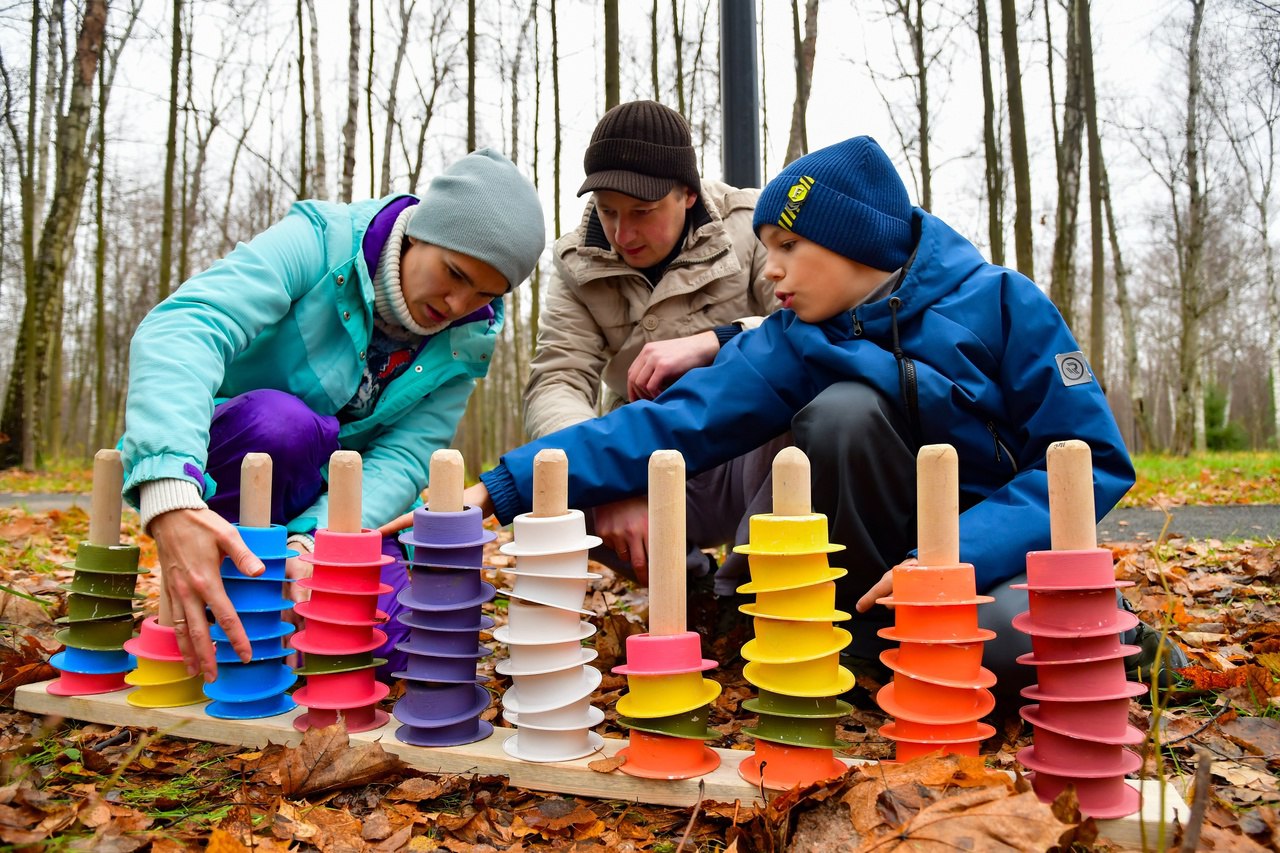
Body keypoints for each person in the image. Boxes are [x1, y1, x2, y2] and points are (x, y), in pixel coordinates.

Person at [386, 135, 1184, 703]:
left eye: (787, 244)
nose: (768, 268)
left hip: (984, 557)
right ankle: (860, 646)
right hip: (875, 579)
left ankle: (1114, 642)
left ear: (855, 242)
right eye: (764, 242)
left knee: (1030, 653)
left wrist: (955, 559)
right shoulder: (799, 339)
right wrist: (510, 482)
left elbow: (1090, 460)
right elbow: (673, 424)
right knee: (840, 412)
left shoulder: (1007, 305)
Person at [122, 148, 546, 681]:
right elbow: (186, 326)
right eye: (454, 273)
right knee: (281, 426)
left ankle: (283, 583)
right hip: (236, 467)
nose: (460, 303)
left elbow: (405, 454)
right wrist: (169, 492)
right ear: (418, 232)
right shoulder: (320, 243)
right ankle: (230, 577)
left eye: (485, 293)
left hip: (336, 508)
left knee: (387, 645)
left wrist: (315, 540)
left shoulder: (467, 339)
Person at [525, 98, 782, 599]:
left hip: (750, 454)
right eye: (608, 211)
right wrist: (605, 475)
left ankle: (748, 595)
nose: (623, 234)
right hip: (646, 465)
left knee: (811, 415)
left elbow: (807, 328)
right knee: (553, 473)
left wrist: (715, 342)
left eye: (642, 213)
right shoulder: (575, 263)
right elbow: (556, 379)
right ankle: (688, 591)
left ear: (687, 194)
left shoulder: (753, 225)